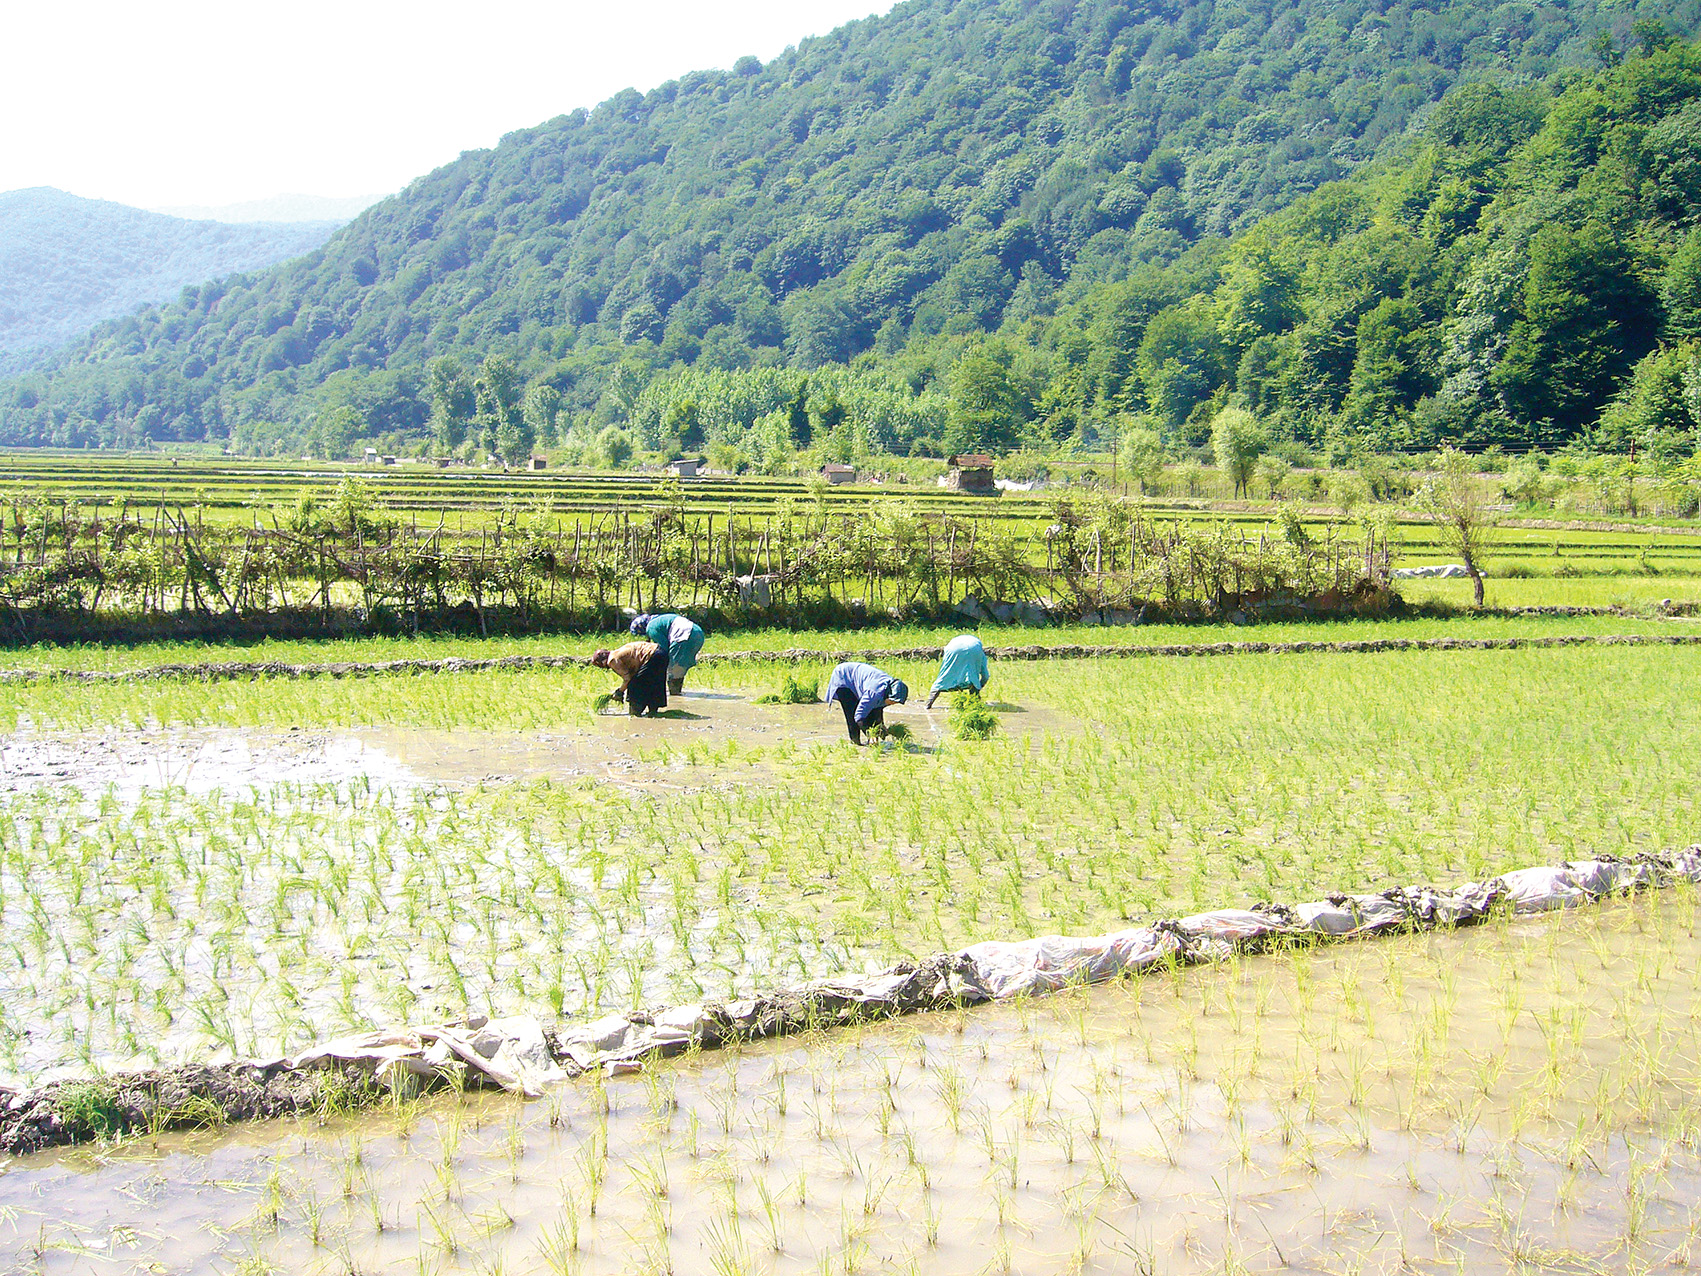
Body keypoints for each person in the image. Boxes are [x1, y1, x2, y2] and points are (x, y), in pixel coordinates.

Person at [823, 661, 909, 745]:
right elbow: (859, 716)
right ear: (888, 695)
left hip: (861, 678)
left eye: (895, 702)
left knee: (870, 712)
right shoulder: (874, 693)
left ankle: (871, 742)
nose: (892, 704)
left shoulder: (890, 689)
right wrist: (871, 734)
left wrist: (881, 728)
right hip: (844, 677)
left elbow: (877, 711)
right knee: (852, 712)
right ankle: (855, 742)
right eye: (892, 701)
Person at [630, 612, 706, 696]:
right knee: (680, 666)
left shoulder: (651, 627)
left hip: (683, 636)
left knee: (673, 667)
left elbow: (663, 649)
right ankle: (677, 691)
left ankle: (675, 695)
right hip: (698, 634)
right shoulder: (661, 619)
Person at [591, 640, 668, 716]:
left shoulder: (612, 660)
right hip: (661, 652)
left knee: (635, 684)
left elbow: (628, 679)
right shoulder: (617, 653)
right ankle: (653, 710)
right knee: (655, 682)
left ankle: (636, 711)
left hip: (653, 655)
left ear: (602, 662)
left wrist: (620, 692)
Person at [926, 634, 990, 709]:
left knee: (945, 674)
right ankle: (975, 704)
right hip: (974, 649)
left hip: (953, 649)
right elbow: (985, 675)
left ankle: (928, 704)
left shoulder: (953, 643)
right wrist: (979, 686)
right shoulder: (978, 649)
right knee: (973, 679)